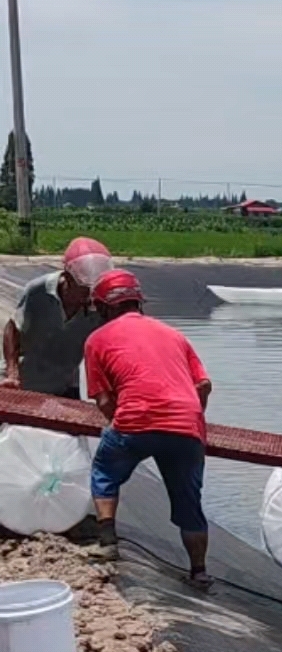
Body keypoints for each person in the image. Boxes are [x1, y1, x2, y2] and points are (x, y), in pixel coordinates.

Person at [83, 269, 214, 589]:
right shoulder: (174, 334)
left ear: (105, 307)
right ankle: (199, 572)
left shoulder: (97, 340)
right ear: (138, 302)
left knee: (104, 471)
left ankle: (107, 543)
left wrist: (120, 421)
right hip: (185, 427)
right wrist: (190, 418)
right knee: (189, 501)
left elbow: (103, 400)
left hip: (135, 423)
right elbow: (203, 385)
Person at [2, 238, 112, 396]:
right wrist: (12, 372)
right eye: (83, 288)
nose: (89, 295)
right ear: (67, 277)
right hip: (22, 381)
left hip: (63, 385)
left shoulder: (100, 305)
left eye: (94, 288)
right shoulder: (38, 291)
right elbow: (13, 329)